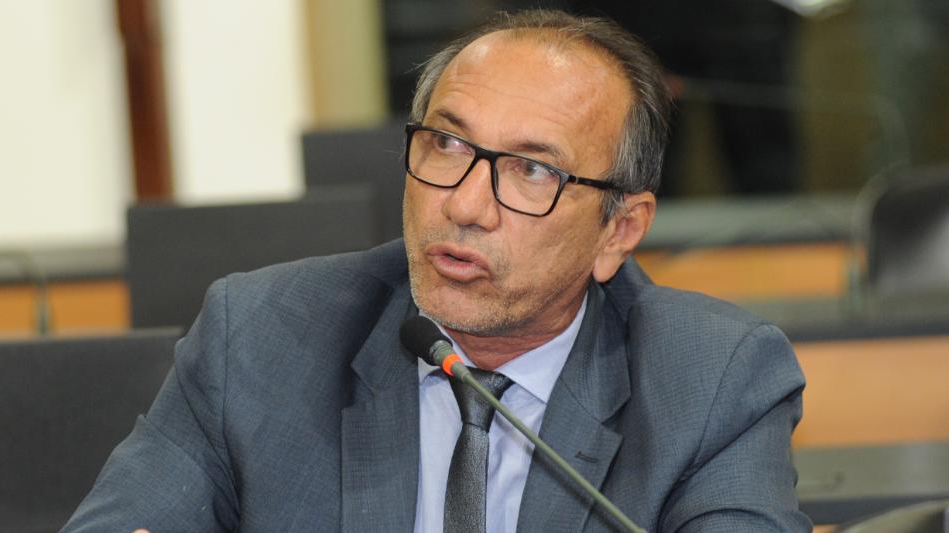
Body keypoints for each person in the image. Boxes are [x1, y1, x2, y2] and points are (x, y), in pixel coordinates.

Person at [64, 9, 811, 532]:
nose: (465, 205)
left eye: (531, 170)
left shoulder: (712, 380)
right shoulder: (260, 338)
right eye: (447, 146)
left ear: (619, 230)